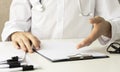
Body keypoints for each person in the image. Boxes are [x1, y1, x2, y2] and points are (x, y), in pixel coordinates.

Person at [1, 0, 120, 53]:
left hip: (82, 58)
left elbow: (117, 20)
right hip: (37, 56)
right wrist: (15, 33)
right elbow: (15, 23)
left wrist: (108, 28)